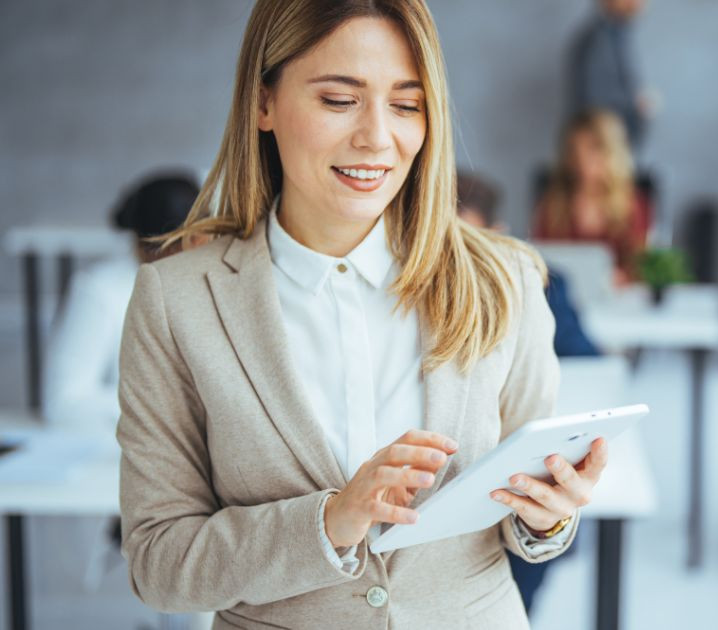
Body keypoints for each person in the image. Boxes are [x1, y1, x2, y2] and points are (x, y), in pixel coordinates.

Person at [116, 2, 611, 628]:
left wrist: (550, 514)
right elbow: (160, 563)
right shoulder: (177, 300)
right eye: (339, 100)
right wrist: (329, 521)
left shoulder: (505, 278)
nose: (378, 137)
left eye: (406, 104)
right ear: (263, 103)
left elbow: (525, 515)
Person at [455, 171, 598, 614]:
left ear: (496, 234)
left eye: (469, 236)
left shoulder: (537, 280)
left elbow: (587, 361)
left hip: (523, 467)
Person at [43, 172, 198, 430]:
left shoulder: (208, 283)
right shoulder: (100, 291)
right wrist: (167, 407)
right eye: (174, 244)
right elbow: (63, 403)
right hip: (116, 452)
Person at [532, 109, 651, 286]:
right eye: (574, 150)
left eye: (593, 149)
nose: (582, 159)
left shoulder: (633, 205)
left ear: (611, 151)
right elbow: (540, 260)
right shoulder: (552, 204)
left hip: (616, 304)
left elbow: (643, 266)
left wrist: (622, 278)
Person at [566, 0, 650, 149]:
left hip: (614, 147)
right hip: (602, 150)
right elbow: (594, 102)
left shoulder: (618, 35)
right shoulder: (598, 40)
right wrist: (635, 104)